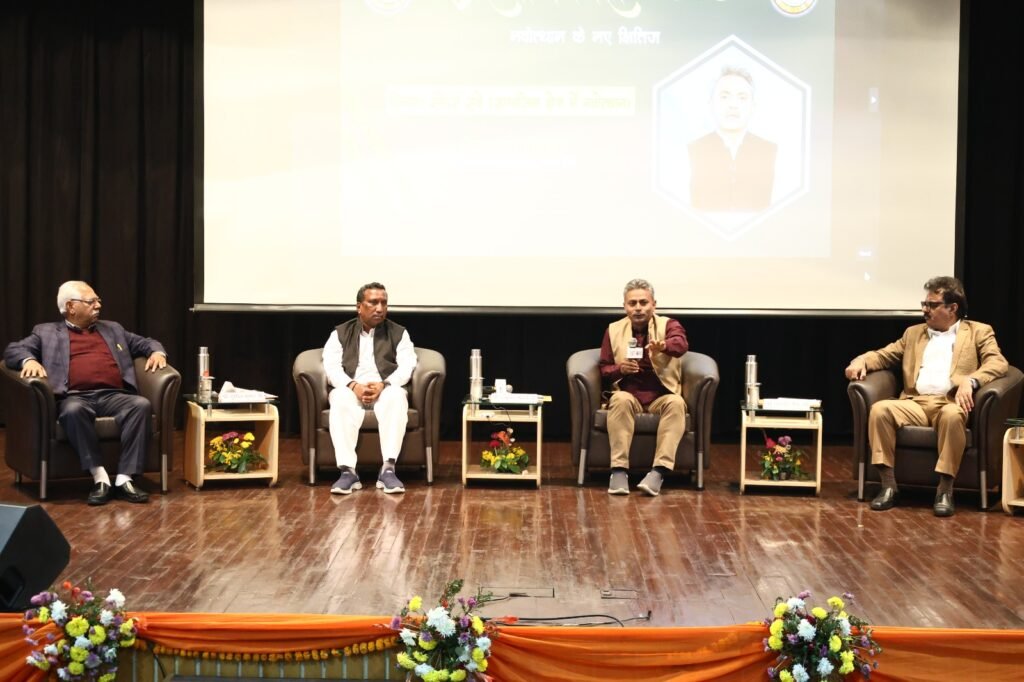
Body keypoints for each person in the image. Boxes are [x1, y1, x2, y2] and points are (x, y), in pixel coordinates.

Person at [844, 276, 1008, 517]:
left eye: (932, 305)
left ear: (952, 308)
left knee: (952, 416)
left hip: (950, 402)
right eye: (924, 304)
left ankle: (945, 490)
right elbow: (884, 355)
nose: (925, 309)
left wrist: (971, 381)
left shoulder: (978, 332)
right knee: (880, 410)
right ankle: (888, 486)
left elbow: (998, 363)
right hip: (915, 403)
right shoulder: (914, 333)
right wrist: (860, 360)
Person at [3, 281, 167, 505]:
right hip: (74, 397)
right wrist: (28, 360)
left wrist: (157, 353)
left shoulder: (113, 329)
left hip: (113, 395)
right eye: (91, 301)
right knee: (73, 411)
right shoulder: (46, 332)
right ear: (71, 307)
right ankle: (100, 477)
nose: (98, 305)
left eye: (98, 300)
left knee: (140, 405)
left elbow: (146, 343)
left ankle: (125, 478)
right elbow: (14, 349)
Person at [322, 282, 417, 495]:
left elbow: (407, 366)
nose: (380, 308)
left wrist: (384, 384)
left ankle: (388, 469)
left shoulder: (399, 332)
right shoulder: (340, 333)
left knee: (396, 396)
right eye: (373, 302)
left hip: (385, 388)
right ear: (359, 307)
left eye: (384, 303)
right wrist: (353, 385)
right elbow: (331, 367)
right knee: (340, 398)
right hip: (351, 388)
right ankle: (347, 472)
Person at [598, 279, 689, 496]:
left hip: (661, 395)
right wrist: (621, 369)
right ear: (625, 306)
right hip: (629, 396)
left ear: (653, 305)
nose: (638, 308)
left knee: (677, 403)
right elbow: (604, 368)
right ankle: (618, 471)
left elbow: (681, 344)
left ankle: (658, 472)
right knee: (619, 400)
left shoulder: (668, 325)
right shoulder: (613, 330)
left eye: (643, 302)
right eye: (632, 303)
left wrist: (664, 345)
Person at [688, 65, 777, 212]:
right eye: (724, 97)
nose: (733, 105)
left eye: (742, 98)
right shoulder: (691, 151)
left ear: (753, 107)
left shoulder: (773, 152)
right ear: (710, 104)